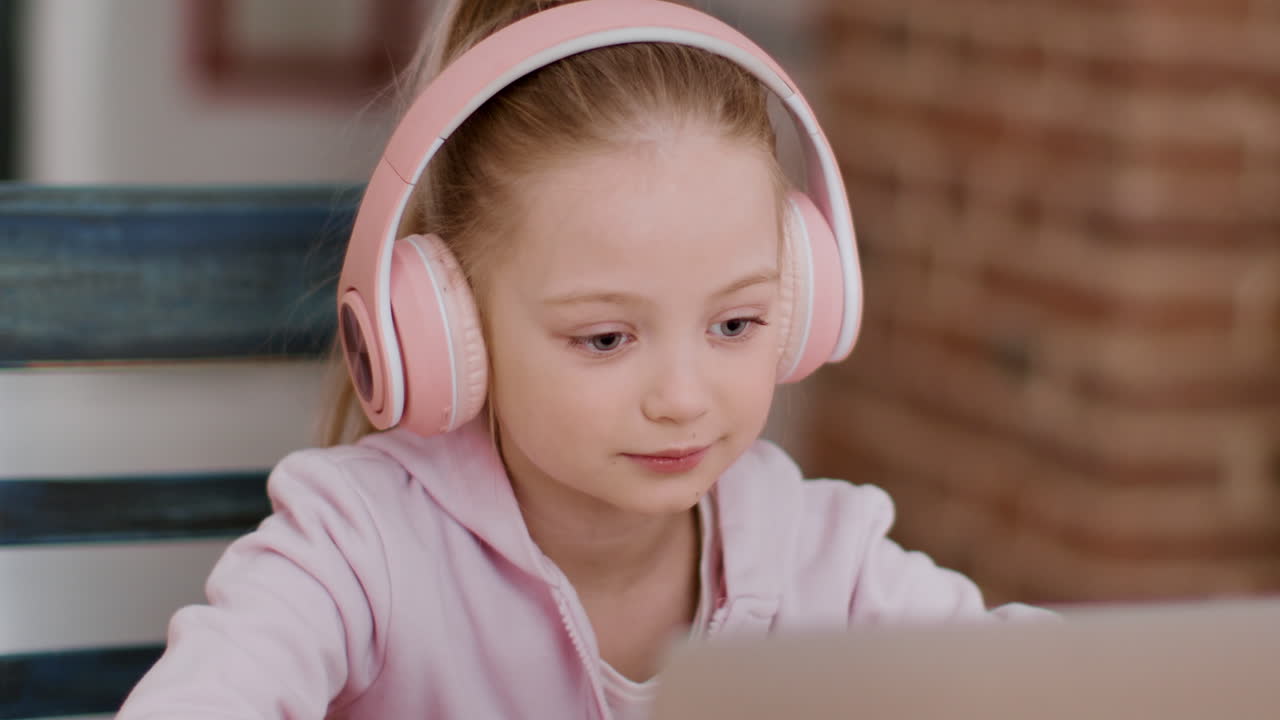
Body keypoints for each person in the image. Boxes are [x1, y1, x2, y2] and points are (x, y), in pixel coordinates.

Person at [118, 1, 1051, 718]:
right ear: (452, 335)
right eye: (606, 339)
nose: (684, 399)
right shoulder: (357, 548)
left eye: (735, 325)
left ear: (805, 303)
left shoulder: (821, 556)